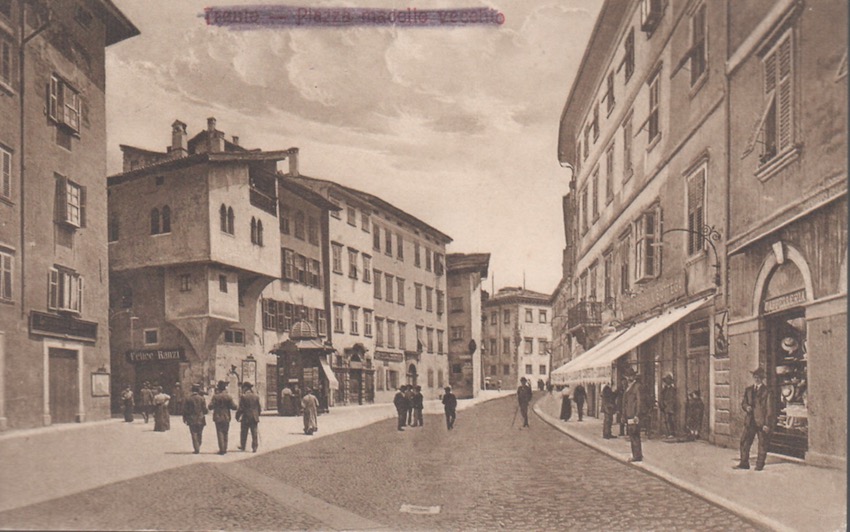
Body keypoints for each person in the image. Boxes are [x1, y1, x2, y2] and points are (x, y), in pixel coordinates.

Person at [734, 367, 775, 471]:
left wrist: (767, 424)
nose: (757, 379)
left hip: (761, 422)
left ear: (762, 379)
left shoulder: (767, 391)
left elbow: (769, 409)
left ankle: (759, 465)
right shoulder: (748, 390)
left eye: (759, 377)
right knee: (744, 441)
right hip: (750, 421)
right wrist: (746, 407)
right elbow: (743, 403)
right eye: (755, 377)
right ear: (753, 377)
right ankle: (744, 463)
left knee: (762, 443)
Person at [208, 380, 237, 454]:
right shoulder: (228, 397)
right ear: (224, 388)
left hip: (217, 417)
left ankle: (221, 449)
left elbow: (210, 407)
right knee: (225, 432)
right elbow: (234, 407)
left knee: (219, 432)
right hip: (226, 417)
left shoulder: (215, 397)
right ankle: (225, 448)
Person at [622, 367, 643, 462]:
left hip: (633, 414)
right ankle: (636, 454)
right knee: (631, 434)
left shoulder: (637, 386)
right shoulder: (629, 387)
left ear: (632, 377)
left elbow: (639, 402)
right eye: (627, 376)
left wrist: (637, 415)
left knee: (634, 434)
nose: (627, 378)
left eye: (629, 376)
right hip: (629, 414)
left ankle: (637, 456)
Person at [182, 384, 208, 454]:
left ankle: (196, 448)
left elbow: (185, 410)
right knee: (200, 433)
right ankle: (198, 445)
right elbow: (205, 409)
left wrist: (184, 418)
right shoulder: (202, 398)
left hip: (191, 418)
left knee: (194, 433)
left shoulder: (188, 398)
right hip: (201, 418)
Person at [237, 382, 262, 450]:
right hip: (254, 417)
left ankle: (243, 446)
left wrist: (237, 416)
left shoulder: (243, 396)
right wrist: (257, 415)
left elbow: (241, 408)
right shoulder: (256, 396)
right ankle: (255, 447)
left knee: (244, 432)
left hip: (246, 417)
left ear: (245, 388)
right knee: (254, 432)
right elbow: (259, 408)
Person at [659, 373, 678, 439]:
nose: (665, 382)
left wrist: (668, 404)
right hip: (665, 407)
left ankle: (671, 433)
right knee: (665, 420)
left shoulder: (672, 389)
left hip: (670, 407)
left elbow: (672, 399)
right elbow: (662, 397)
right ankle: (667, 433)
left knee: (670, 420)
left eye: (667, 381)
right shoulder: (664, 389)